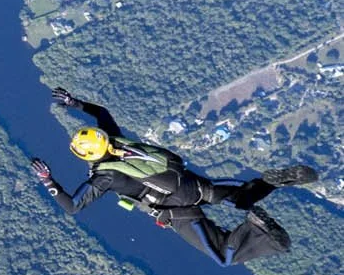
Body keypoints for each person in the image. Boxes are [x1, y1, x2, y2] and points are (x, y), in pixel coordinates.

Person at [31, 87, 315, 263]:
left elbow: (71, 206)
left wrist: (48, 180)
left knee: (224, 255)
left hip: (176, 210)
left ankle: (263, 231)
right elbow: (101, 113)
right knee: (242, 196)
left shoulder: (104, 177)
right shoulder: (118, 141)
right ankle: (272, 182)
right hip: (192, 184)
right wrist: (73, 102)